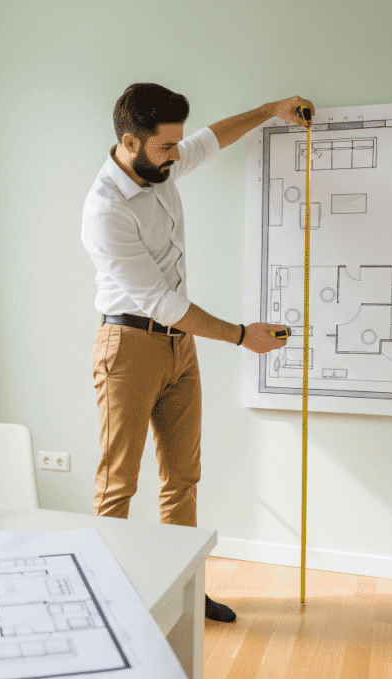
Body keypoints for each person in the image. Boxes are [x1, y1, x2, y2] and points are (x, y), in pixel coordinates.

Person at [81, 83, 314, 623]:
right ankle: (102, 605)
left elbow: (211, 141)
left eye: (175, 145)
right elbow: (163, 301)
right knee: (119, 483)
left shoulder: (159, 166)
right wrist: (241, 336)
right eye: (166, 146)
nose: (175, 154)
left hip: (178, 346)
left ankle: (184, 590)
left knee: (182, 478)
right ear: (130, 141)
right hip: (130, 348)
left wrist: (267, 110)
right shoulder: (105, 210)